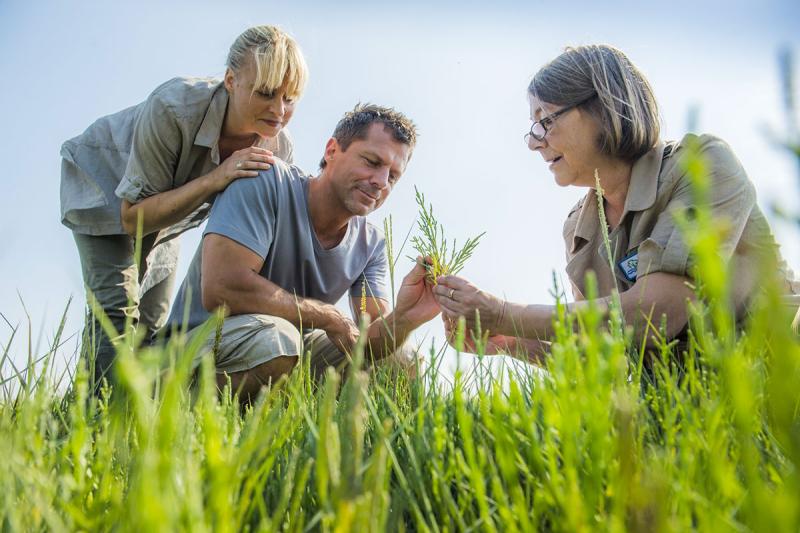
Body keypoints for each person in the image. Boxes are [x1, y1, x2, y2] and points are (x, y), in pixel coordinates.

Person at [433, 44, 800, 361]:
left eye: (546, 121)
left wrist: (501, 312)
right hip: (677, 413)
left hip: (770, 392)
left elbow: (658, 314)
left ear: (603, 108)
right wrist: (506, 341)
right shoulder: (579, 227)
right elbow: (598, 354)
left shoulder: (701, 165)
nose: (534, 142)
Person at [60, 25, 308, 386]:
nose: (279, 111)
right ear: (230, 80)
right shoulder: (173, 107)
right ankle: (95, 421)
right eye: (267, 94)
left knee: (152, 324)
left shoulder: (277, 147)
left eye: (290, 98)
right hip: (105, 187)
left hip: (170, 214)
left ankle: (137, 423)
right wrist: (216, 177)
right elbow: (131, 218)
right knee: (116, 314)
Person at [163, 104, 440, 399]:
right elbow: (222, 288)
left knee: (402, 360)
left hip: (290, 349)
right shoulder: (265, 179)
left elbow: (367, 339)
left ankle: (302, 426)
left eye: (393, 176)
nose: (381, 182)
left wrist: (408, 316)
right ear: (332, 150)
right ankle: (168, 406)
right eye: (372, 162)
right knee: (278, 340)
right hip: (202, 342)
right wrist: (326, 317)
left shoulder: (370, 245)